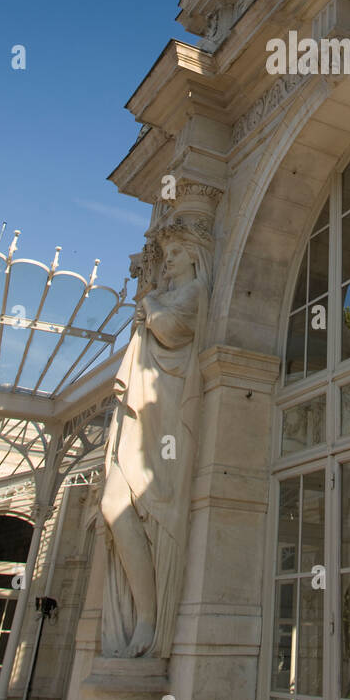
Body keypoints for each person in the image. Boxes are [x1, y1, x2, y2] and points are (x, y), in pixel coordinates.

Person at [100, 230, 207, 659]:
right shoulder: (167, 293)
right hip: (143, 403)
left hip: (168, 411)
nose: (169, 260)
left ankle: (151, 617)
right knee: (112, 503)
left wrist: (148, 302)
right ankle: (142, 613)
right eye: (166, 254)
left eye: (178, 251)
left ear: (197, 256)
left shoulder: (198, 291)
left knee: (149, 506)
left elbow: (172, 330)